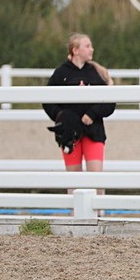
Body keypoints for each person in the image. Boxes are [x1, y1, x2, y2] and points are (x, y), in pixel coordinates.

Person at [43, 33, 116, 175]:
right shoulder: (61, 73)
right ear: (75, 50)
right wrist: (62, 116)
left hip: (93, 132)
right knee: (73, 180)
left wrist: (92, 114)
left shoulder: (96, 73)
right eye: (87, 46)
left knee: (96, 179)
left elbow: (109, 102)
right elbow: (47, 100)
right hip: (69, 134)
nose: (92, 49)